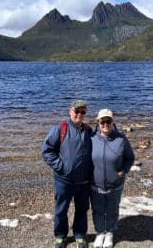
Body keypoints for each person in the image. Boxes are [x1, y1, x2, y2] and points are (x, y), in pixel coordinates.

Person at [42, 100, 92, 248]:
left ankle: (80, 234)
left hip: (84, 182)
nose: (79, 114)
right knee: (61, 210)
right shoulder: (60, 128)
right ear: (70, 111)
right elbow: (47, 151)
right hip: (64, 180)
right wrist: (62, 167)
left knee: (82, 210)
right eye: (77, 111)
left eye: (83, 112)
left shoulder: (89, 130)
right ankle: (60, 236)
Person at [90, 109, 134, 248]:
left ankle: (109, 233)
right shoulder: (91, 138)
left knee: (112, 209)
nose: (105, 124)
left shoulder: (121, 139)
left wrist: (124, 170)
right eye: (102, 121)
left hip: (115, 184)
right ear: (98, 123)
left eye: (108, 121)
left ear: (112, 122)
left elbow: (130, 158)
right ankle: (99, 233)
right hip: (94, 184)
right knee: (97, 210)